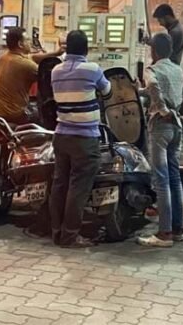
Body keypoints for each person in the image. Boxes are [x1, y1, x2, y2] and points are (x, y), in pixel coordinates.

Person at [49, 30, 112, 248]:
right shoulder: (92, 69)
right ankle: (70, 236)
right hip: (84, 138)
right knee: (78, 187)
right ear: (86, 49)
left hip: (61, 135)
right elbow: (108, 91)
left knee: (60, 184)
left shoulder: (55, 71)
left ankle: (57, 232)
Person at [137, 33, 183, 247]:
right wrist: (139, 90)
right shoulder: (177, 69)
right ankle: (177, 229)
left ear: (153, 50)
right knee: (175, 178)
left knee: (161, 179)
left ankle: (164, 234)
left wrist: (162, 109)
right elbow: (156, 90)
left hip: (160, 125)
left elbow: (154, 85)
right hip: (177, 125)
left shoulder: (152, 70)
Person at [0, 27, 62, 125]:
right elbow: (48, 76)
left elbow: (32, 57)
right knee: (44, 120)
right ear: (20, 44)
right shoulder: (25, 65)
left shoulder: (5, 57)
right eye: (27, 40)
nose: (30, 42)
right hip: (13, 114)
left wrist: (56, 53)